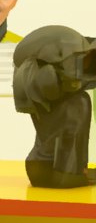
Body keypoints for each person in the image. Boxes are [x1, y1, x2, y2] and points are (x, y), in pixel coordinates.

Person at [13, 25, 96, 188]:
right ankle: (69, 171)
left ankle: (69, 170)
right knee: (78, 104)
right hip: (58, 171)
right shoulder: (74, 101)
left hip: (40, 165)